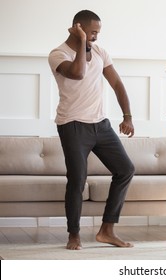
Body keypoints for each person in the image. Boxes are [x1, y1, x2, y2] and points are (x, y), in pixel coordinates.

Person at [48, 10, 135, 250]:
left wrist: (127, 115)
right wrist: (84, 43)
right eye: (93, 32)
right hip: (72, 124)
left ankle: (107, 230)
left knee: (125, 169)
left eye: (98, 32)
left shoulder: (100, 52)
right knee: (77, 179)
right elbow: (78, 73)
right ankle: (73, 234)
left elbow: (116, 83)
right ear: (78, 27)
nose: (96, 36)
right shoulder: (58, 54)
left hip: (101, 124)